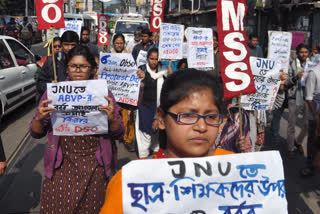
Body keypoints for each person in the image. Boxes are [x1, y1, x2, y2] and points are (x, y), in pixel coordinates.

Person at [99, 69, 247, 213]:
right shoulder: (132, 180)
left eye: (211, 117)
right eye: (188, 115)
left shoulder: (240, 173)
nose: (202, 127)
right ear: (161, 118)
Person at [29, 45, 124, 213]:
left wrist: (112, 119)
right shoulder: (55, 94)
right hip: (61, 167)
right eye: (73, 66)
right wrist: (39, 117)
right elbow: (35, 133)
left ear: (92, 69)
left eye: (83, 66)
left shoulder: (103, 93)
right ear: (67, 68)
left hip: (94, 167)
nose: (78, 71)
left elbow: (119, 132)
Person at [135, 48, 172, 158]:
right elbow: (135, 89)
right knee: (145, 134)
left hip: (159, 108)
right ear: (147, 59)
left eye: (156, 59)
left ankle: (155, 160)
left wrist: (170, 75)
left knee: (157, 135)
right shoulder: (141, 70)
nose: (154, 62)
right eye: (151, 59)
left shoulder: (164, 71)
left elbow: (169, 89)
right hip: (145, 108)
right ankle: (143, 159)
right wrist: (139, 80)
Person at [284, 43, 309, 158]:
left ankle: (298, 142)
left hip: (308, 98)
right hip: (294, 97)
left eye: (305, 52)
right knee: (292, 125)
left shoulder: (312, 64)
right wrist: (296, 77)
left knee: (307, 124)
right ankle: (290, 148)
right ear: (297, 53)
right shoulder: (292, 64)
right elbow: (287, 83)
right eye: (301, 52)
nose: (303, 54)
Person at [37, 31, 79, 98]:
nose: (70, 48)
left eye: (73, 45)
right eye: (66, 44)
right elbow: (40, 83)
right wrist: (50, 86)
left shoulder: (84, 61)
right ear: (62, 45)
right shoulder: (52, 61)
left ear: (78, 45)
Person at [300, 63, 320, 177]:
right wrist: (315, 116)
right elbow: (308, 98)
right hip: (315, 115)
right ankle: (309, 166)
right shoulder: (314, 73)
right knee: (313, 141)